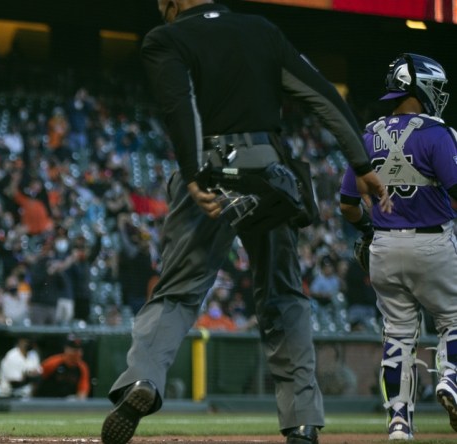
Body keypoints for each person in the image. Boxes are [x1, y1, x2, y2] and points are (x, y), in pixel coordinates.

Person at [100, 2, 391, 444]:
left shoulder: (166, 38)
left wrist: (197, 173)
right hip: (269, 168)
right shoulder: (261, 29)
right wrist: (361, 162)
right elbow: (322, 94)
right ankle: (302, 420)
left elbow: (180, 104)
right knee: (284, 294)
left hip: (211, 169)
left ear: (172, 3)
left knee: (178, 292)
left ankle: (144, 379)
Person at [339, 53, 457, 440]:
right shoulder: (439, 134)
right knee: (454, 321)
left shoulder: (368, 133)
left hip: (384, 248)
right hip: (432, 244)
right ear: (419, 87)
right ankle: (451, 380)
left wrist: (372, 231)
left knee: (398, 335)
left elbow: (347, 206)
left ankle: (398, 421)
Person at [35, 336, 90, 400]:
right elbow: (36, 379)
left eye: (78, 350)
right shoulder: (53, 362)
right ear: (66, 349)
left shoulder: (82, 367)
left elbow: (82, 392)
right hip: (47, 400)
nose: (76, 353)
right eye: (74, 350)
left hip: (66, 403)